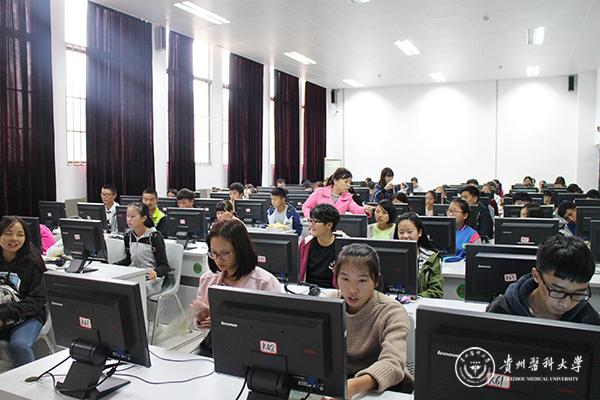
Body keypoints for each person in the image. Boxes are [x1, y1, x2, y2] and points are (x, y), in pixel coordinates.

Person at [334, 243, 413, 397]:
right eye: (345, 279)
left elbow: (393, 362)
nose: (352, 289)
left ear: (376, 280)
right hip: (342, 384)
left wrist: (353, 386)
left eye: (362, 281)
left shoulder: (392, 312)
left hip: (386, 389)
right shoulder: (331, 306)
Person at [487, 235, 599, 325]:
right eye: (558, 291)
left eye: (578, 294)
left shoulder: (589, 320)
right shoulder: (501, 311)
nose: (565, 304)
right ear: (536, 276)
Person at [191, 219, 282, 329]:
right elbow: (200, 324)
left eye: (225, 253)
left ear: (240, 251)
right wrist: (201, 319)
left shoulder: (265, 283)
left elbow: (275, 327)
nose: (218, 259)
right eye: (214, 253)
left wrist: (223, 321)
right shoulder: (207, 279)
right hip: (216, 339)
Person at [0, 216, 47, 367]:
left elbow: (38, 300)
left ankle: (28, 381)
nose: (14, 239)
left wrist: (4, 315)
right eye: (8, 233)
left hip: (28, 316)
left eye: (20, 234)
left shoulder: (33, 262)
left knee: (19, 346)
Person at [117, 203, 171, 293]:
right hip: (134, 275)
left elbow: (164, 266)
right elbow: (129, 260)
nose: (129, 220)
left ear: (143, 218)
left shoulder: (154, 237)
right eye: (127, 216)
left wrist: (156, 272)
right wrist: (113, 266)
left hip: (151, 278)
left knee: (132, 291)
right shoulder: (128, 235)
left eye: (132, 216)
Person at [394, 212, 443, 298]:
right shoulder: (390, 257)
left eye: (409, 232)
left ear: (419, 232)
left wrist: (413, 298)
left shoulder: (431, 258)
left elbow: (436, 291)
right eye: (401, 232)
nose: (405, 236)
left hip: (421, 303)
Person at [299, 204, 341, 288]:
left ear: (329, 225)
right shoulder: (306, 243)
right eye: (310, 221)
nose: (311, 225)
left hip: (334, 291)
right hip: (308, 288)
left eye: (315, 222)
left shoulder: (342, 246)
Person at [302, 168, 370, 219]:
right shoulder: (319, 192)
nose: (348, 185)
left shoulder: (347, 197)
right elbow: (306, 206)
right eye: (346, 182)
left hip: (337, 229)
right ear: (335, 181)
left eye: (350, 182)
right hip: (319, 228)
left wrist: (366, 210)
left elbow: (356, 209)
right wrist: (311, 219)